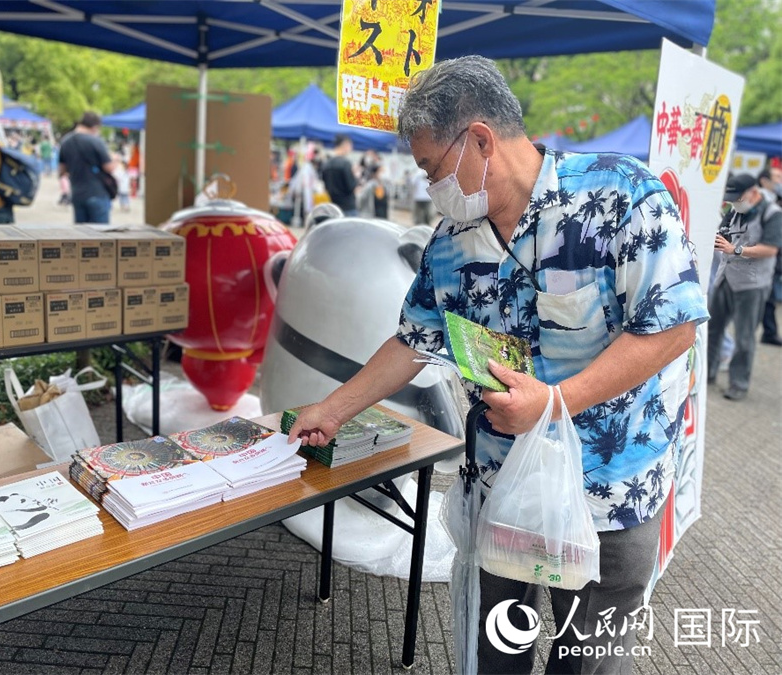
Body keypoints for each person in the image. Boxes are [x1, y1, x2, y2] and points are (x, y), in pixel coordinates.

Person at [287, 56, 707, 675]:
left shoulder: (621, 197)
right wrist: (329, 409)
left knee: (587, 660)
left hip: (607, 498)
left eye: (432, 168)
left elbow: (672, 328)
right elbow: (412, 342)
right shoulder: (453, 243)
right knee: (498, 650)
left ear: (480, 140)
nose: (431, 186)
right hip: (502, 489)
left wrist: (556, 403)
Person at [708, 173, 782, 397]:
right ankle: (707, 374)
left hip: (752, 284)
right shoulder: (734, 212)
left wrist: (736, 250)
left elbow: (770, 249)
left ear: (753, 192)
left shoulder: (773, 214)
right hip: (725, 278)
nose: (734, 203)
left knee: (744, 336)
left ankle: (738, 384)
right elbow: (721, 236)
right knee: (713, 328)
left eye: (737, 198)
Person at [58, 112, 117, 224]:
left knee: (82, 236)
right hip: (97, 193)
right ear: (95, 127)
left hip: (77, 194)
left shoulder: (65, 141)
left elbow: (62, 170)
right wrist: (116, 159)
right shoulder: (95, 141)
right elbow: (109, 167)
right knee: (100, 235)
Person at [757, 166, 782, 345]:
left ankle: (769, 332)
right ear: (764, 181)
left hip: (771, 258)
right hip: (761, 258)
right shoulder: (759, 203)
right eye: (777, 177)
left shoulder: (775, 201)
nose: (780, 182)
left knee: (769, 299)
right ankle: (769, 333)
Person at [321, 134, 358, 216]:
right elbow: (351, 187)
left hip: (334, 207)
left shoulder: (326, 164)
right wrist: (355, 176)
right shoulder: (345, 163)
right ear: (345, 145)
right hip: (348, 208)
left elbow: (325, 186)